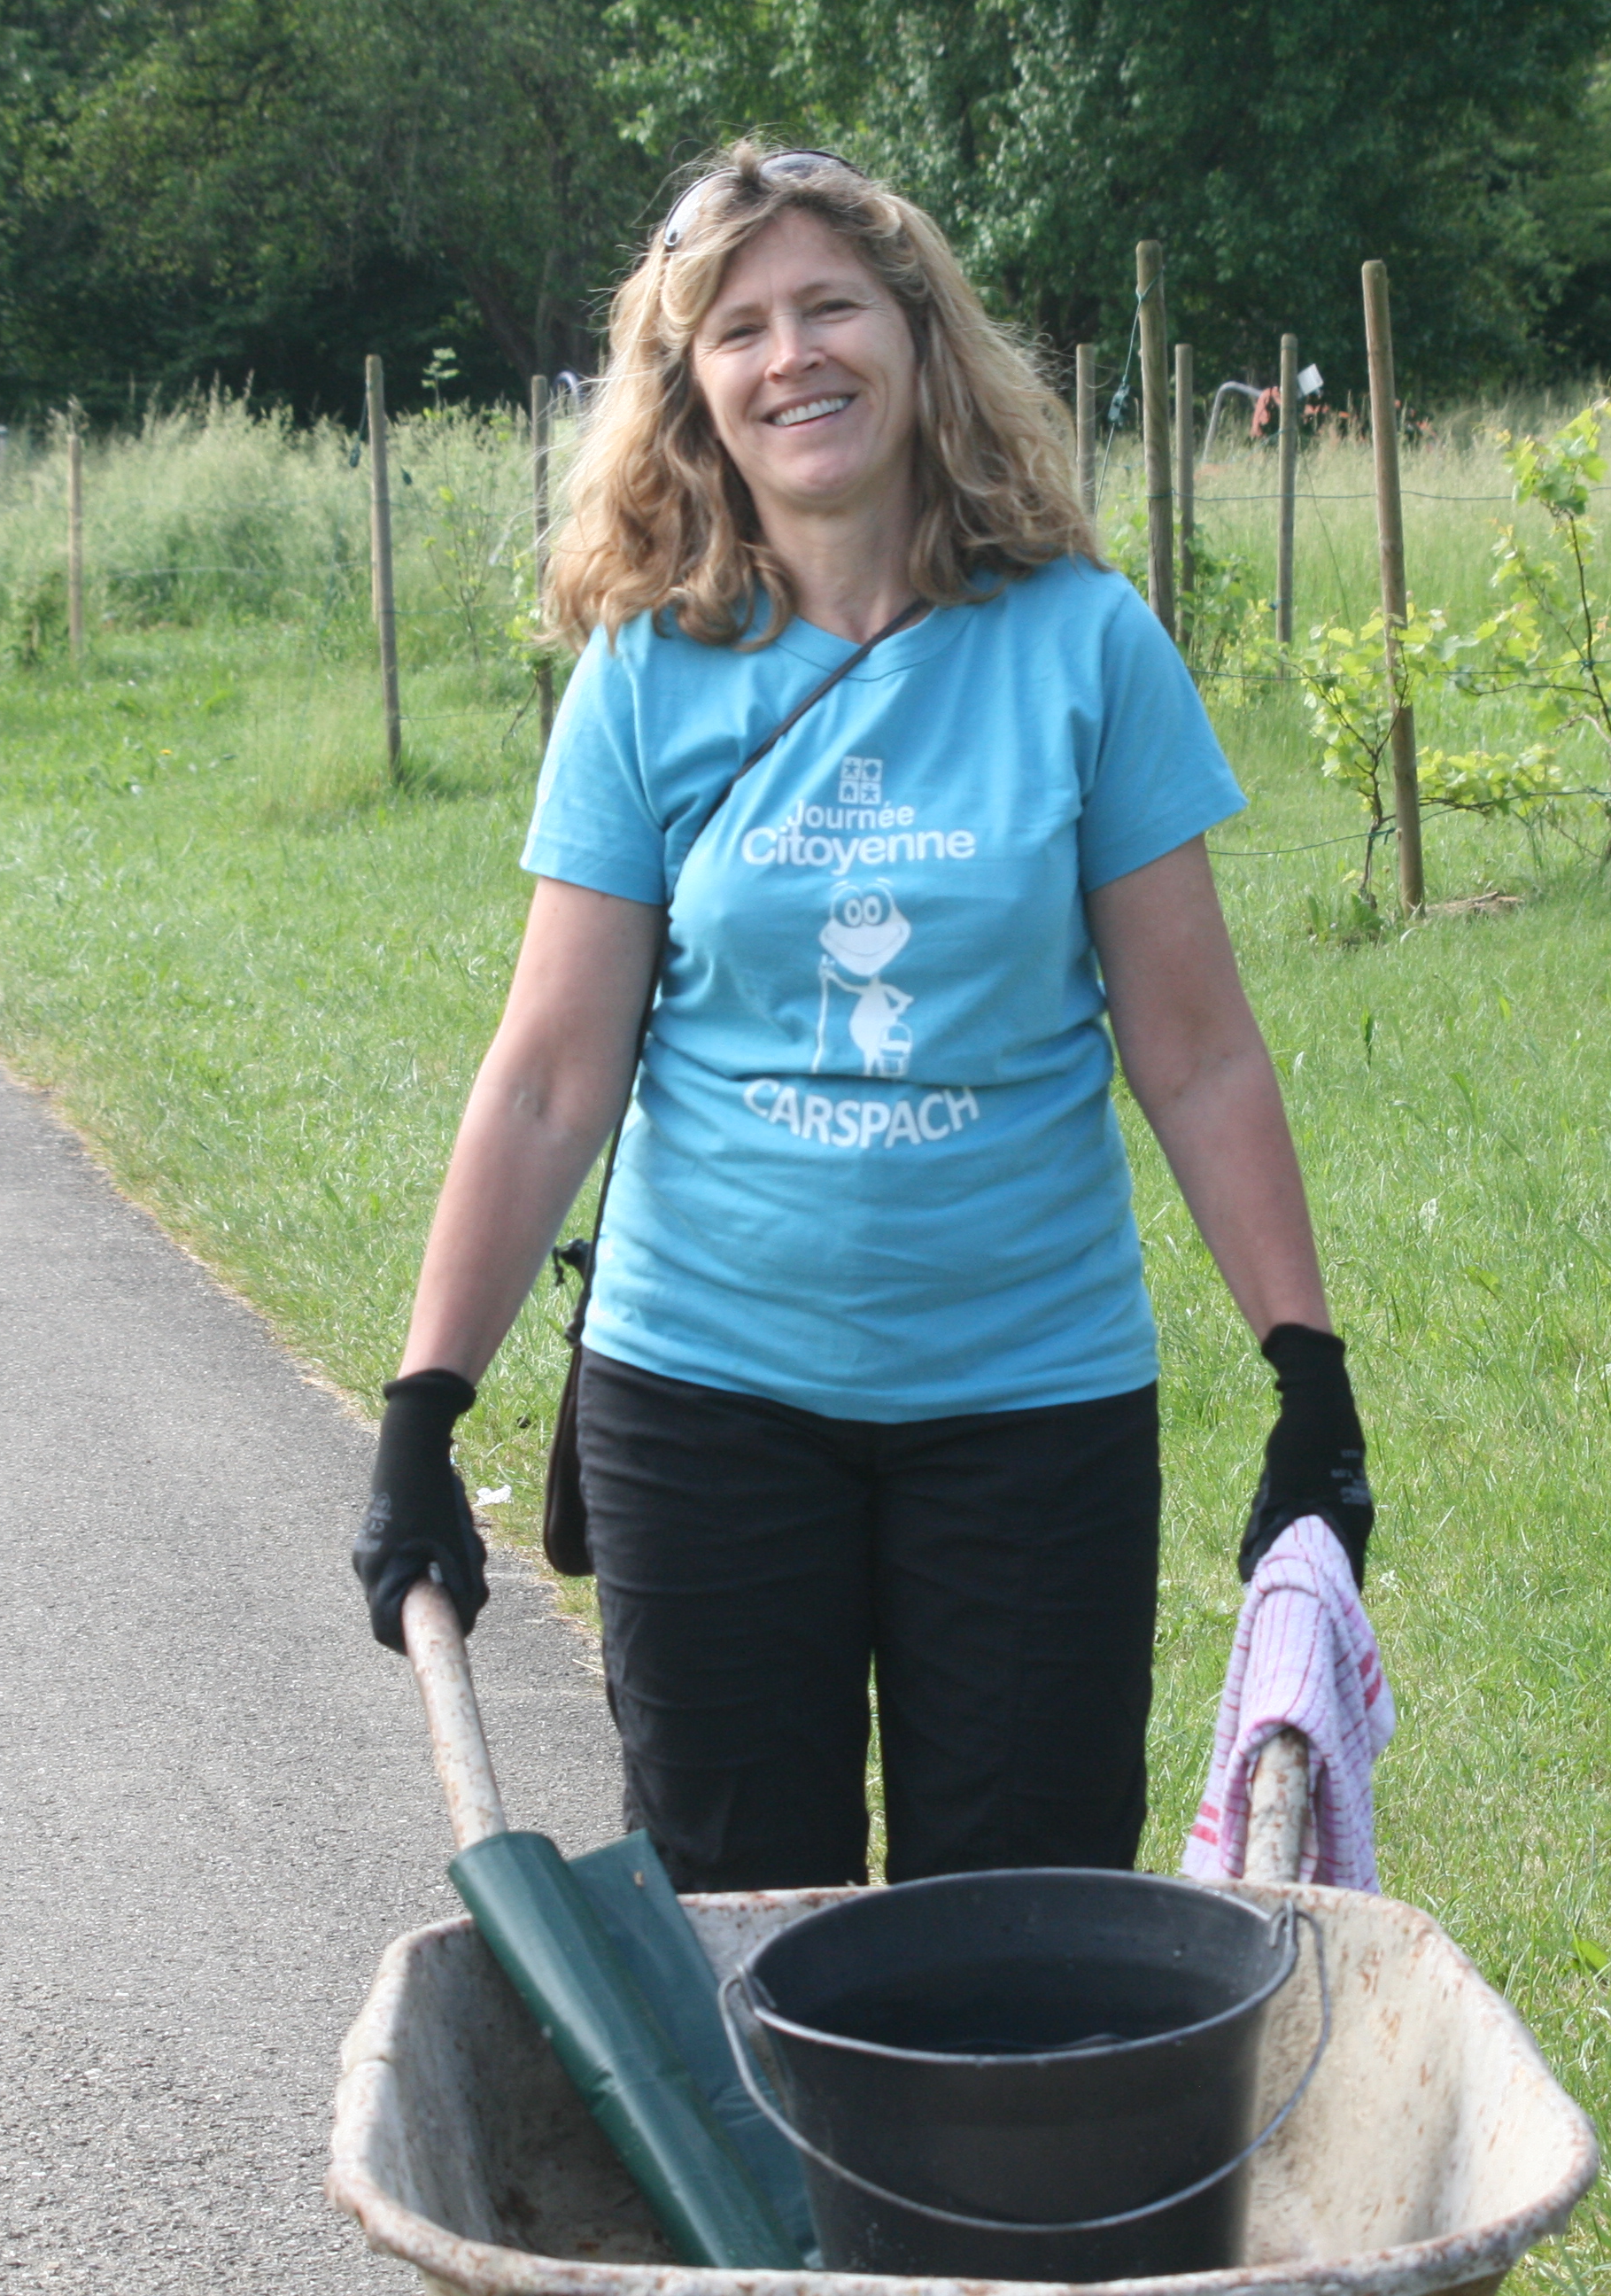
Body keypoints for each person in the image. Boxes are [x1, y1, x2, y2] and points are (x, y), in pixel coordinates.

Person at [353, 144, 1374, 1891]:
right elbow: (548, 1080)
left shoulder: (1085, 647)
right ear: (692, 392)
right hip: (707, 1409)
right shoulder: (644, 675)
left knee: (1027, 1944)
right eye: (737, 329)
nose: (790, 355)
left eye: (830, 305)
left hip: (1034, 1413)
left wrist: (1308, 1377)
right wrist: (423, 1409)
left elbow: (1195, 1050)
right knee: (745, 1935)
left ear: (918, 338)